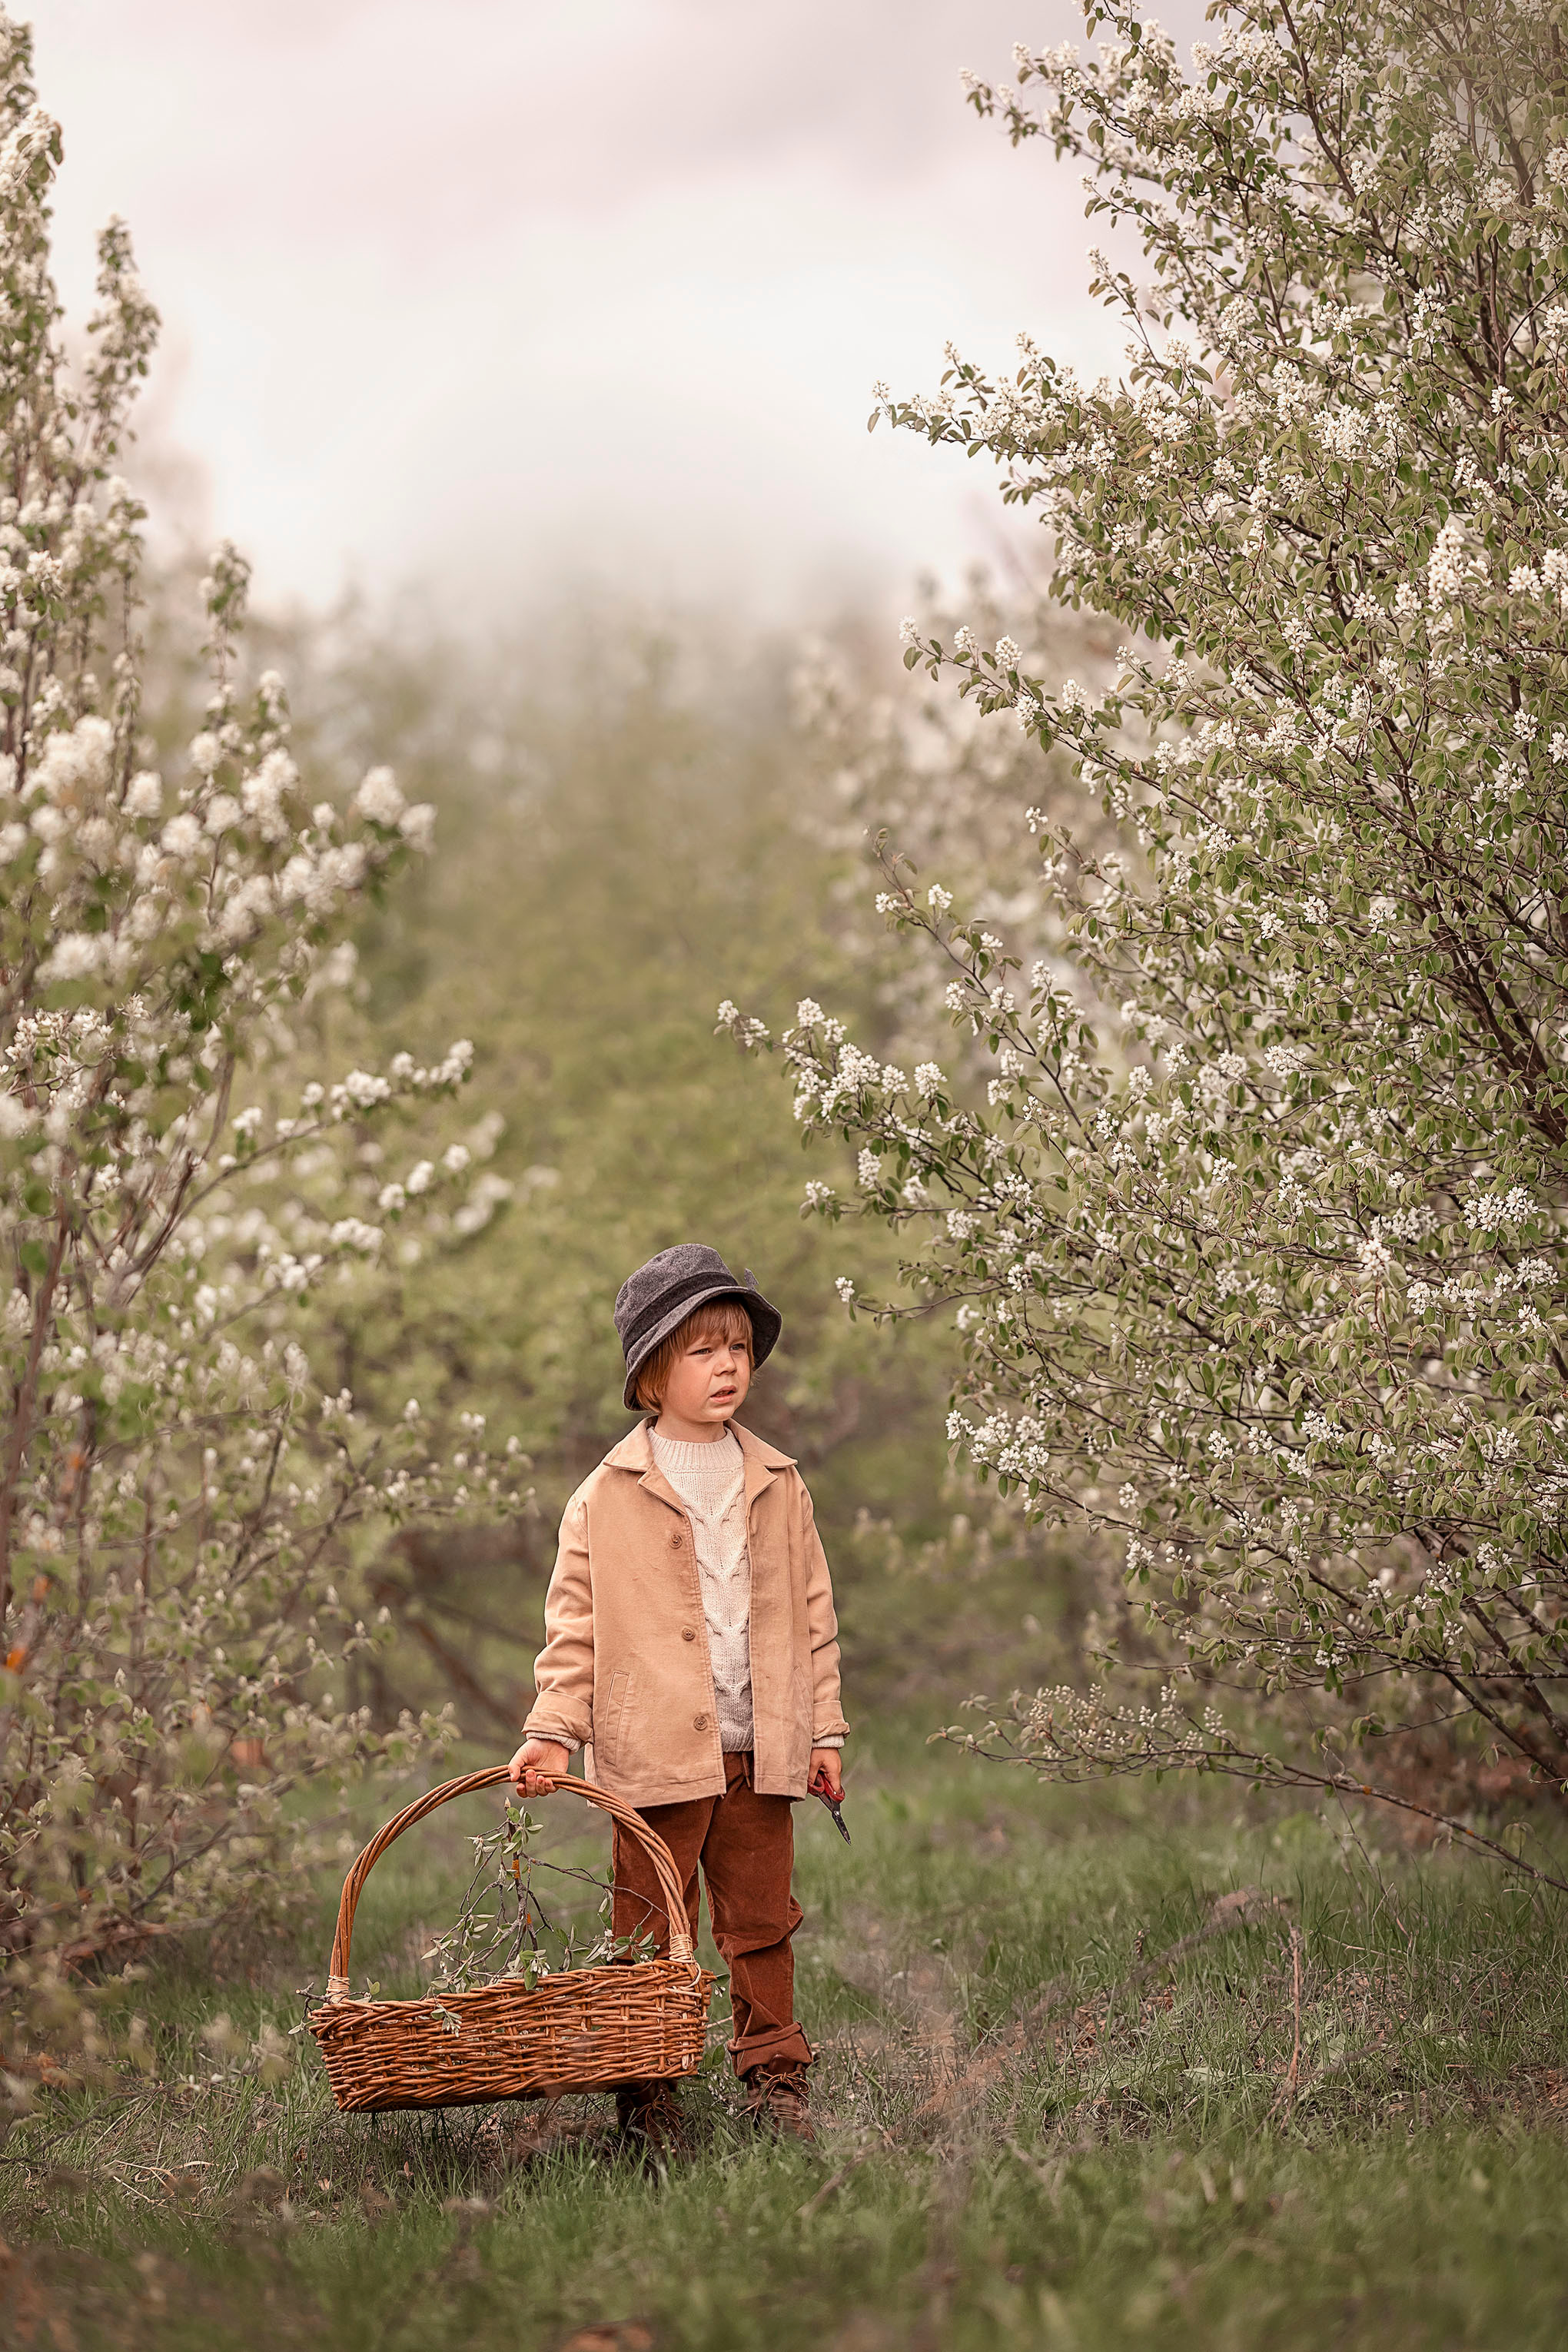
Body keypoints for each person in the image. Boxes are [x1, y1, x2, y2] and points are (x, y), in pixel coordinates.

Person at [507, 1242, 847, 2152]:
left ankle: (776, 2077)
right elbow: (574, 1630)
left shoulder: (779, 1482)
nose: (728, 1365)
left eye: (737, 1346)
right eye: (702, 1350)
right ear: (652, 1374)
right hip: (655, 1754)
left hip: (759, 1748)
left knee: (763, 1920)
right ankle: (648, 2089)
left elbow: (814, 1616)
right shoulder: (604, 1497)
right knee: (650, 1927)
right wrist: (552, 1731)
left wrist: (825, 1733)